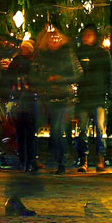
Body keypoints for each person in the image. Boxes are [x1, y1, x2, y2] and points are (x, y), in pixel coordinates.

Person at [30, 27, 80, 174]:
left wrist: (60, 79)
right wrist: (43, 82)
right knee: (45, 129)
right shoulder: (41, 56)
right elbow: (34, 74)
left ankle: (62, 160)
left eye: (56, 39)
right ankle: (43, 158)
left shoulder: (68, 55)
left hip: (64, 97)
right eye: (50, 39)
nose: (53, 41)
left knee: (58, 129)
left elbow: (78, 74)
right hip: (47, 97)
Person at [74, 24, 112, 172]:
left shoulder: (102, 54)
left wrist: (109, 94)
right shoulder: (78, 53)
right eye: (85, 35)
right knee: (83, 130)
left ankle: (100, 158)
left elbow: (109, 74)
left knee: (100, 129)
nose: (87, 38)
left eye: (89, 35)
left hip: (98, 96)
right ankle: (83, 159)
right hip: (84, 97)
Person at [4, 40, 38, 172]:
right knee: (22, 131)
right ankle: (25, 160)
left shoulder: (32, 62)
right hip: (21, 99)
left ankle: (29, 159)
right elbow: (8, 78)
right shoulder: (18, 61)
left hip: (29, 99)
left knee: (28, 132)